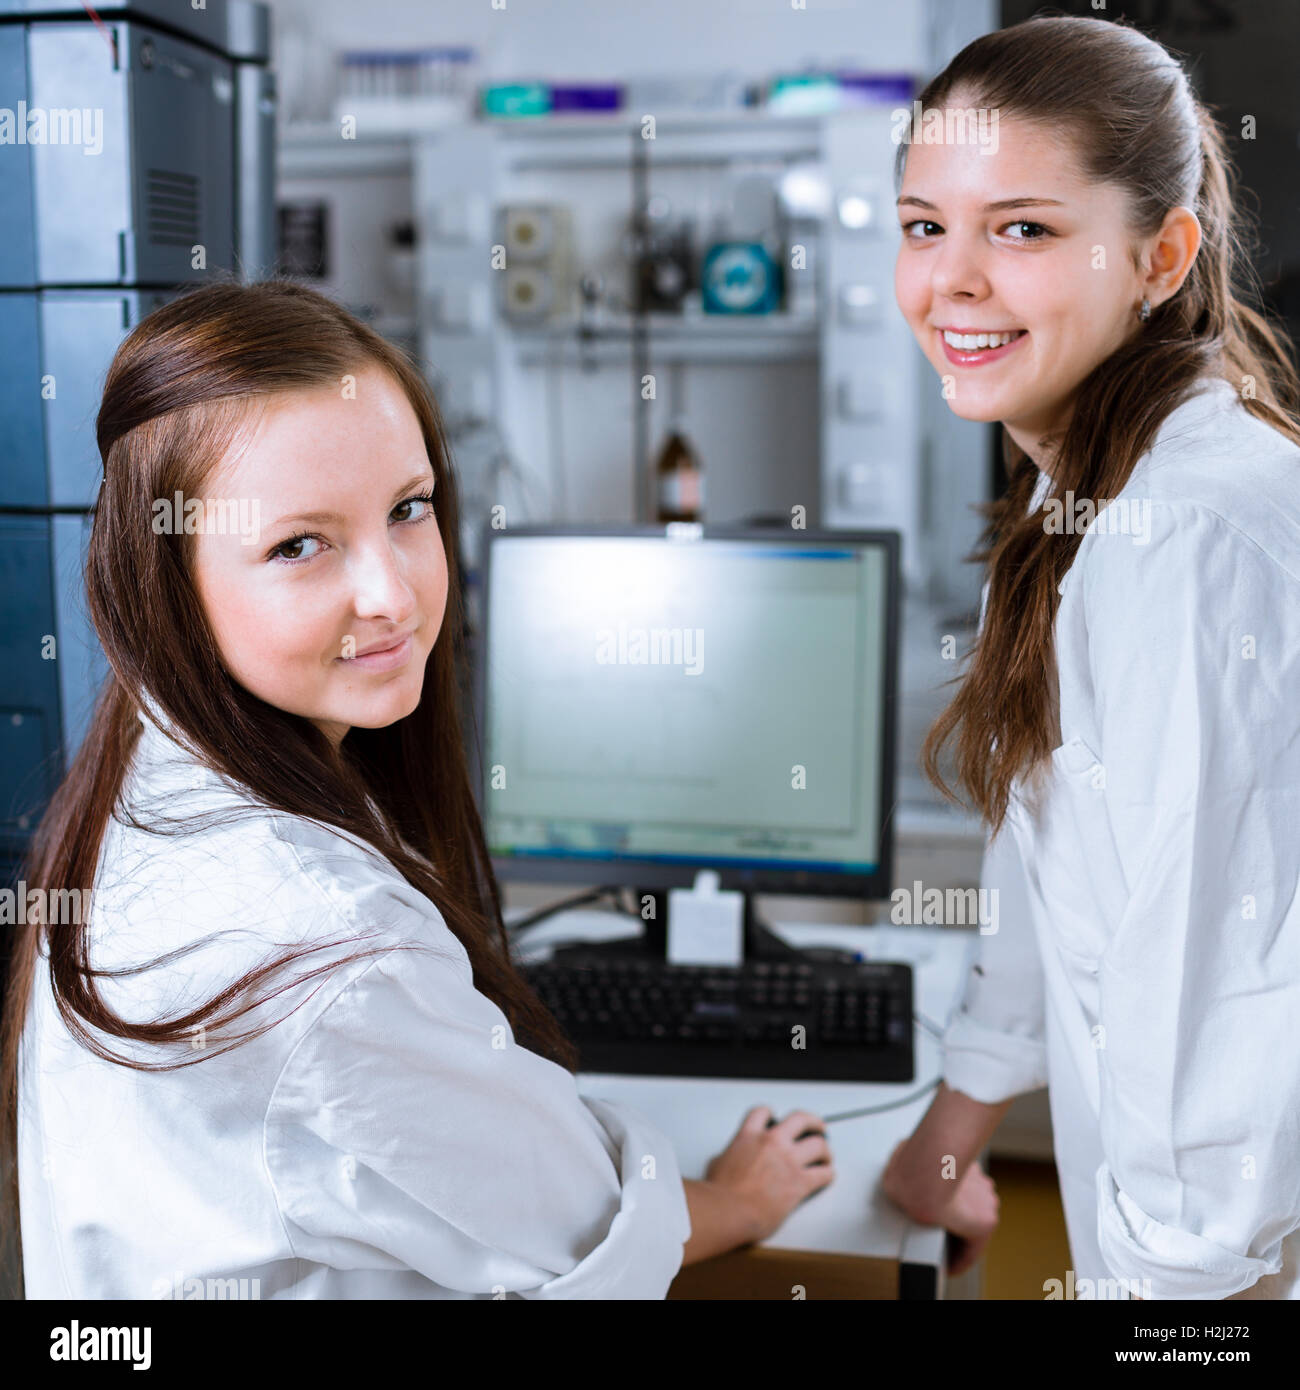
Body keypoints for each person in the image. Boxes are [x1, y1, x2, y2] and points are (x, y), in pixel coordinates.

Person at [0, 279, 833, 1299]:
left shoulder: (146, 764)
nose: (393, 594)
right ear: (164, 581)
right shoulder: (325, 947)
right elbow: (575, 1229)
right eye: (297, 545)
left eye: (408, 508)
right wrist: (741, 1201)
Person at [880, 15, 1300, 1301]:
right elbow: (1060, 838)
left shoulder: (1183, 539)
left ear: (1158, 255)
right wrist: (954, 1125)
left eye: (1022, 229)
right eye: (921, 224)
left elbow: (1224, 1012)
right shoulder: (1105, 495)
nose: (951, 279)